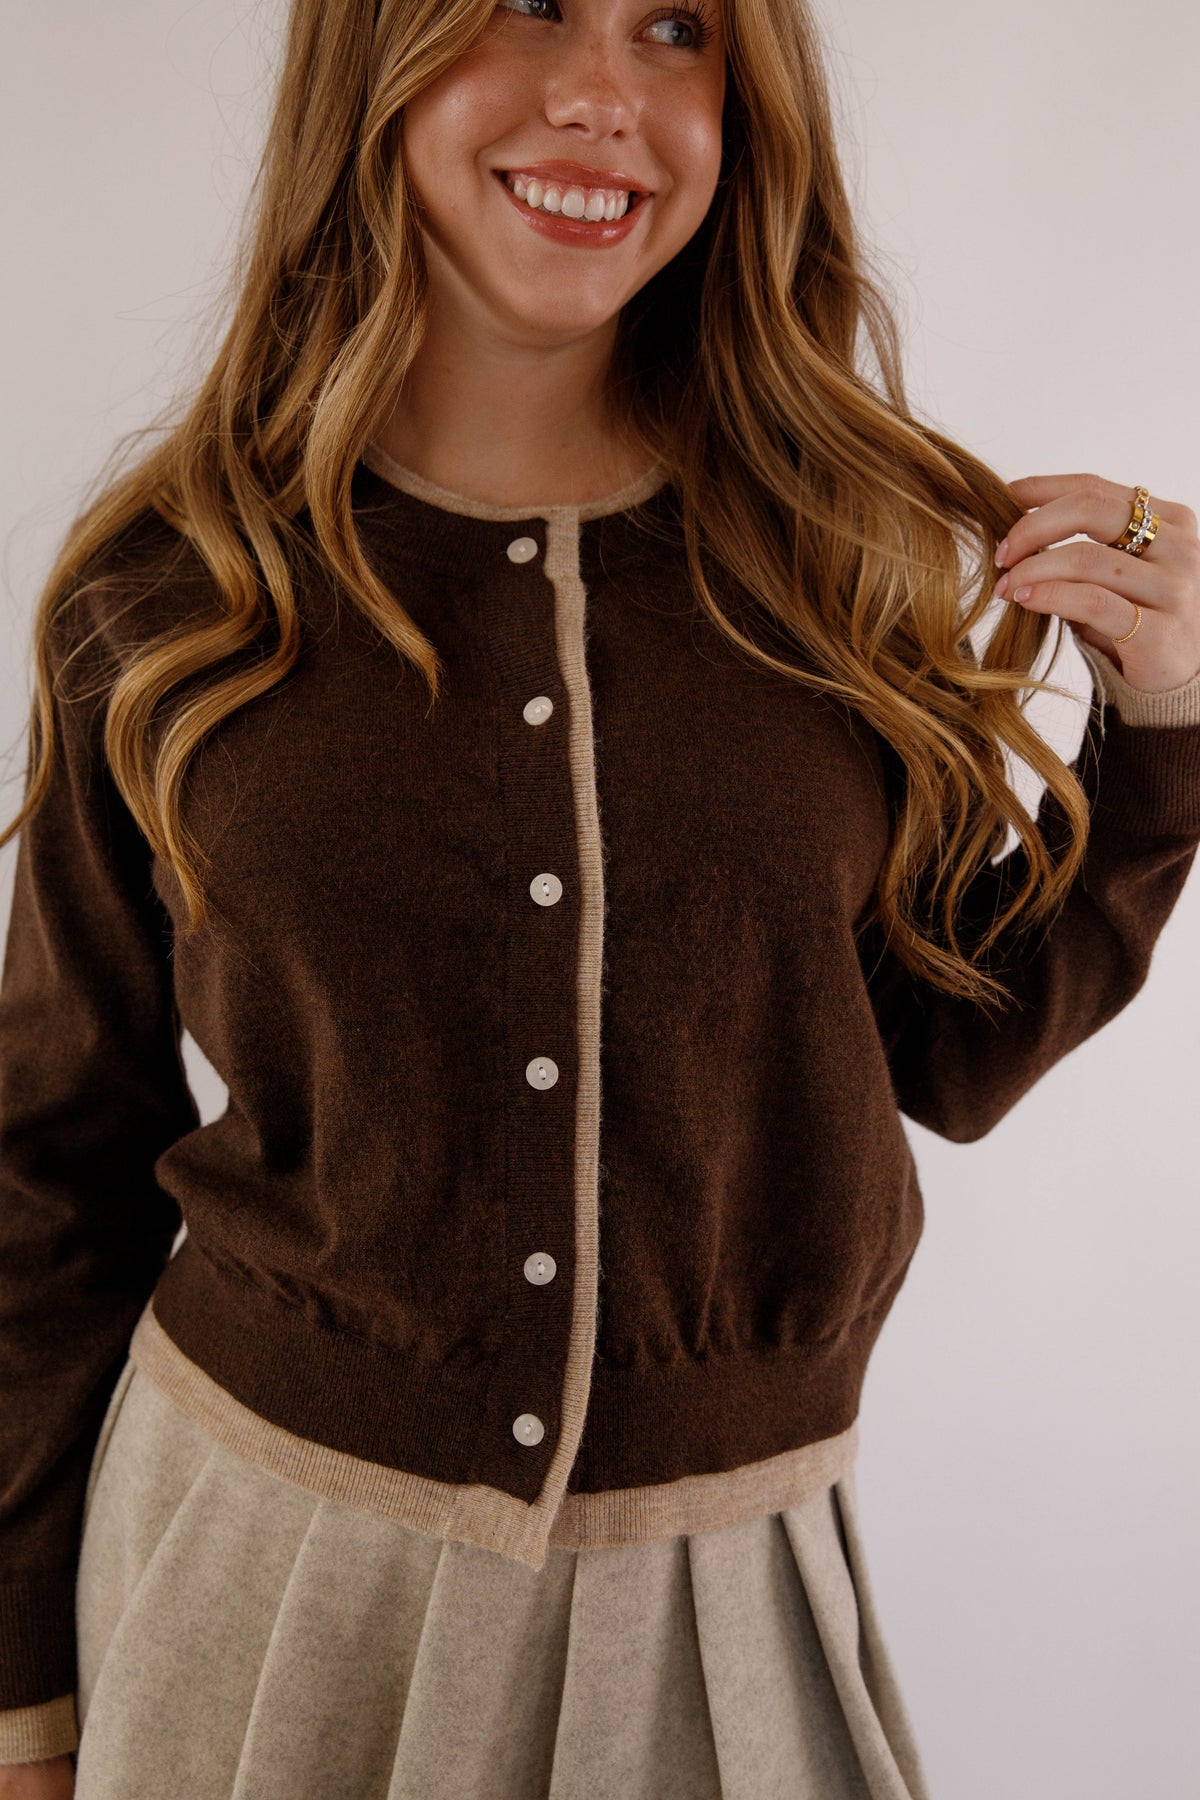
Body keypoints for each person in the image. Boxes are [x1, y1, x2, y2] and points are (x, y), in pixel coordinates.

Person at [2, 0, 1199, 1794]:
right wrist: (20, 1700)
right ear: (373, 59)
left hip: (720, 1594)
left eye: (675, 28)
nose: (599, 97)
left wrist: (1166, 734)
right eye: (529, 6)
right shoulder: (175, 592)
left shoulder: (839, 561)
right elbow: (46, 1162)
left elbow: (949, 1053)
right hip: (253, 1581)